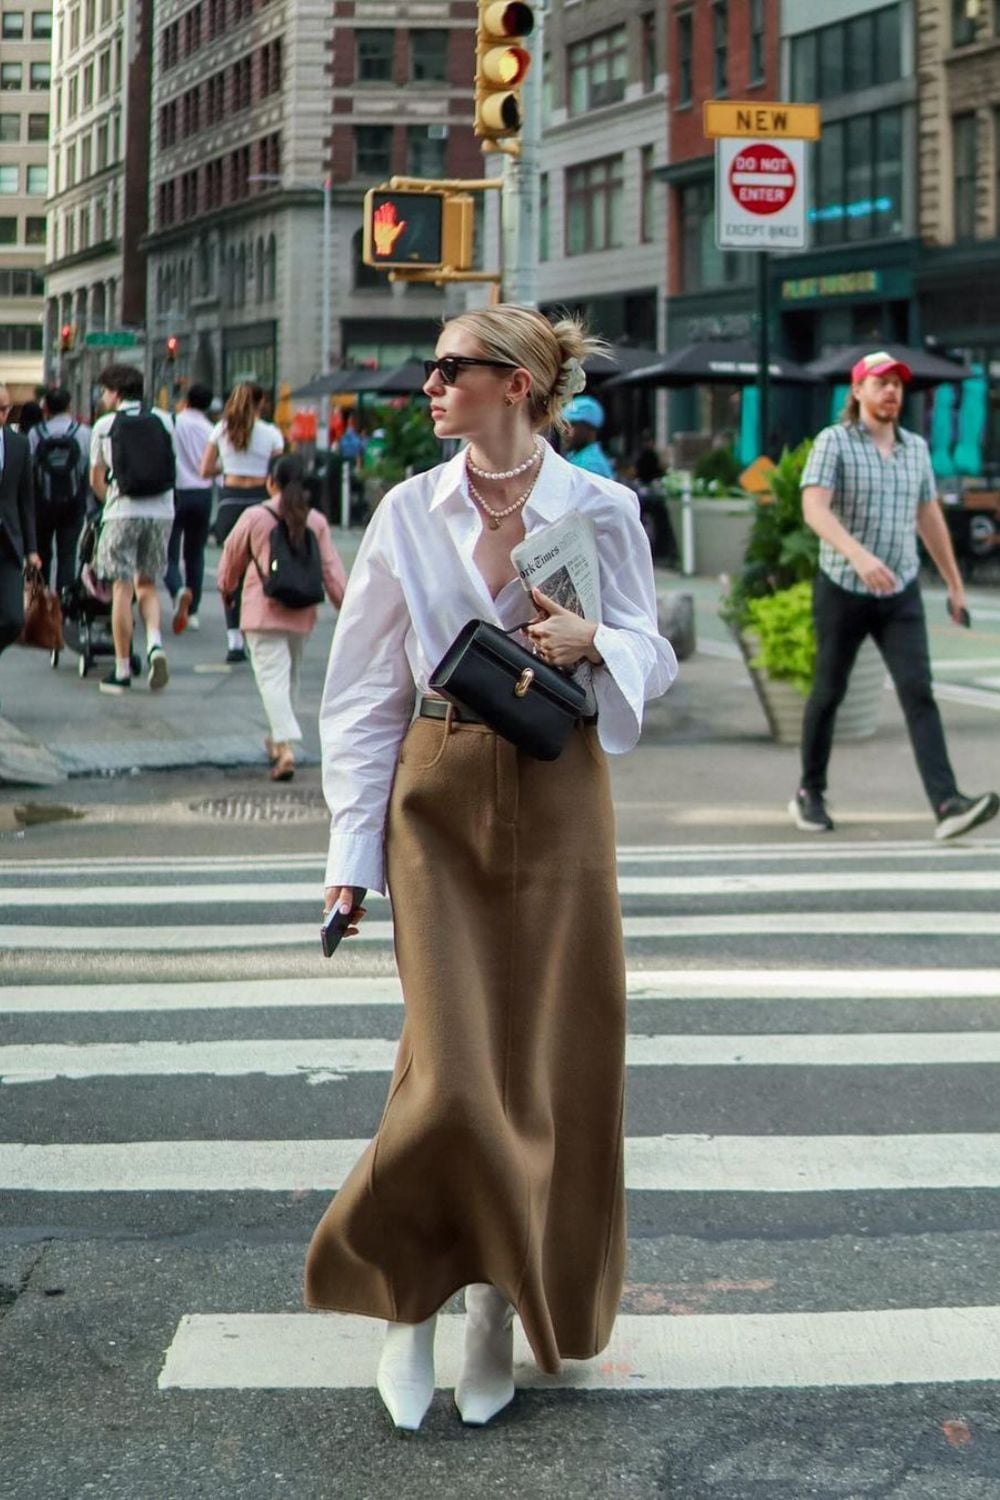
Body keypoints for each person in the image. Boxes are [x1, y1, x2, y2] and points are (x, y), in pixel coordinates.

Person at [304, 305, 678, 1431]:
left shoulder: (599, 507)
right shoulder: (408, 513)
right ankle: (409, 1304)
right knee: (452, 1075)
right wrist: (346, 858)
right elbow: (362, 692)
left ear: (516, 384)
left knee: (547, 1065)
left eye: (452, 368)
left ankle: (495, 1316)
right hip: (436, 789)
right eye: (433, 369)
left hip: (561, 789)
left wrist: (592, 644)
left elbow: (651, 656)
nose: (429, 384)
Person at [791, 349, 999, 841]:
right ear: (857, 391)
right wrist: (859, 555)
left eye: (897, 385)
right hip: (843, 585)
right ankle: (809, 792)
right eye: (880, 383)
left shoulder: (916, 449)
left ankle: (947, 803)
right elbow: (814, 509)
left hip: (901, 589)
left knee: (918, 692)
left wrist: (953, 583)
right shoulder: (834, 442)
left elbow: (928, 517)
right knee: (828, 692)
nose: (891, 392)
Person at [216, 452, 346, 781]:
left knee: (273, 681)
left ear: (271, 481)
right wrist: (346, 608)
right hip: (301, 613)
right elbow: (332, 571)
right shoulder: (315, 520)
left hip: (262, 611)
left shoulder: (254, 517)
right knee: (289, 680)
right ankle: (277, 739)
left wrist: (227, 588)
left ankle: (285, 748)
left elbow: (230, 559)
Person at [89, 363, 177, 694]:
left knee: (122, 591)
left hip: (122, 511)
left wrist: (109, 500)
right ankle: (155, 644)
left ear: (114, 392)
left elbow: (96, 480)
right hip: (161, 512)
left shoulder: (105, 425)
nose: (103, 397)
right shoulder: (164, 420)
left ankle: (122, 669)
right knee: (147, 585)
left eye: (104, 391)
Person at [200, 382, 284, 664]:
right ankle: (258, 630)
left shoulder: (221, 430)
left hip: (230, 503)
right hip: (261, 503)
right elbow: (278, 476)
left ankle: (234, 638)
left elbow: (205, 469)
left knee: (231, 571)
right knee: (262, 570)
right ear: (260, 403)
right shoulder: (271, 433)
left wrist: (229, 464)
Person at [28, 386, 91, 598]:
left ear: (46, 408)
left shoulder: (35, 433)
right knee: (67, 554)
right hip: (73, 503)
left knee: (42, 553)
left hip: (42, 504)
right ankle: (64, 603)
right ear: (69, 406)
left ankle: (40, 599)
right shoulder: (82, 433)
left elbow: (29, 469)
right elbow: (87, 469)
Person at [164, 382, 214, 634]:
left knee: (169, 552)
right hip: (202, 493)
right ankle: (193, 611)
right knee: (195, 554)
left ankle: (177, 589)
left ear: (186, 400)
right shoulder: (210, 429)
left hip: (175, 492)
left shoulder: (173, 422)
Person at [0, 380, 40, 665]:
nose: (1, 415)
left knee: (13, 618)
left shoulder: (18, 444)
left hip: (8, 543)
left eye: (4, 409)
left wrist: (32, 549)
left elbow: (26, 500)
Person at [562, 393, 615, 478]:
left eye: (573, 425)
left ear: (591, 430)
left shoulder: (592, 465)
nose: (565, 431)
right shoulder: (578, 456)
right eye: (564, 424)